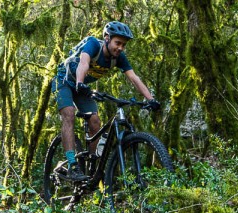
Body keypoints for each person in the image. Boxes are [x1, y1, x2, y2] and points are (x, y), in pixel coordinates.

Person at [53, 21, 160, 182]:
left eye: (124, 45)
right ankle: (72, 164)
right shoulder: (93, 44)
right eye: (118, 43)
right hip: (64, 80)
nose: (120, 48)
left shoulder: (119, 58)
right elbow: (83, 63)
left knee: (95, 121)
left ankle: (93, 166)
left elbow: (134, 78)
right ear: (107, 38)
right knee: (69, 115)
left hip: (82, 87)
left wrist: (150, 99)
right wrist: (80, 83)